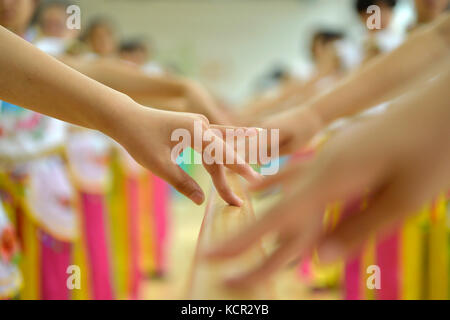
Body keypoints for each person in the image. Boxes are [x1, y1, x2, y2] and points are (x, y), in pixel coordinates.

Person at [205, 13, 450, 287]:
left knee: (394, 237)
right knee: (360, 232)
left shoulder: (372, 47)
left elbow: (441, 38)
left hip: (380, 147)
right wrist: (311, 115)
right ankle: (327, 272)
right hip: (359, 145)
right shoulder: (375, 48)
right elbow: (442, 37)